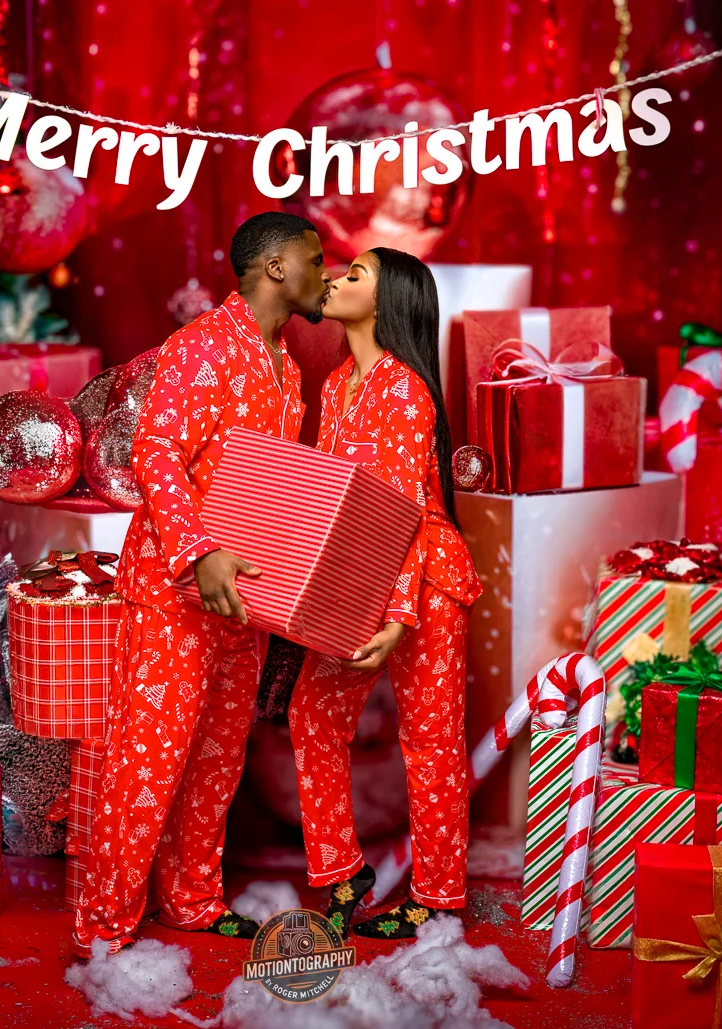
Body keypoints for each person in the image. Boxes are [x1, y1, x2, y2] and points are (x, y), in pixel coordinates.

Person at [74, 212, 331, 956]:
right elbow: (154, 451)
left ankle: (190, 897)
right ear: (278, 266)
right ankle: (105, 926)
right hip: (175, 589)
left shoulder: (285, 363)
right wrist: (198, 552)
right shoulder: (201, 347)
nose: (327, 273)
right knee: (149, 757)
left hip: (242, 598)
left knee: (218, 758)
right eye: (315, 260)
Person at [287, 247, 482, 940]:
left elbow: (403, 507)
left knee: (429, 742)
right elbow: (339, 502)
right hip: (361, 572)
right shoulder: (337, 383)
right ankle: (341, 872)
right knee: (313, 712)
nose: (336, 278)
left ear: (389, 298)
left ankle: (437, 897)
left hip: (424, 580)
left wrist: (398, 615)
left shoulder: (406, 389)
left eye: (356, 274)